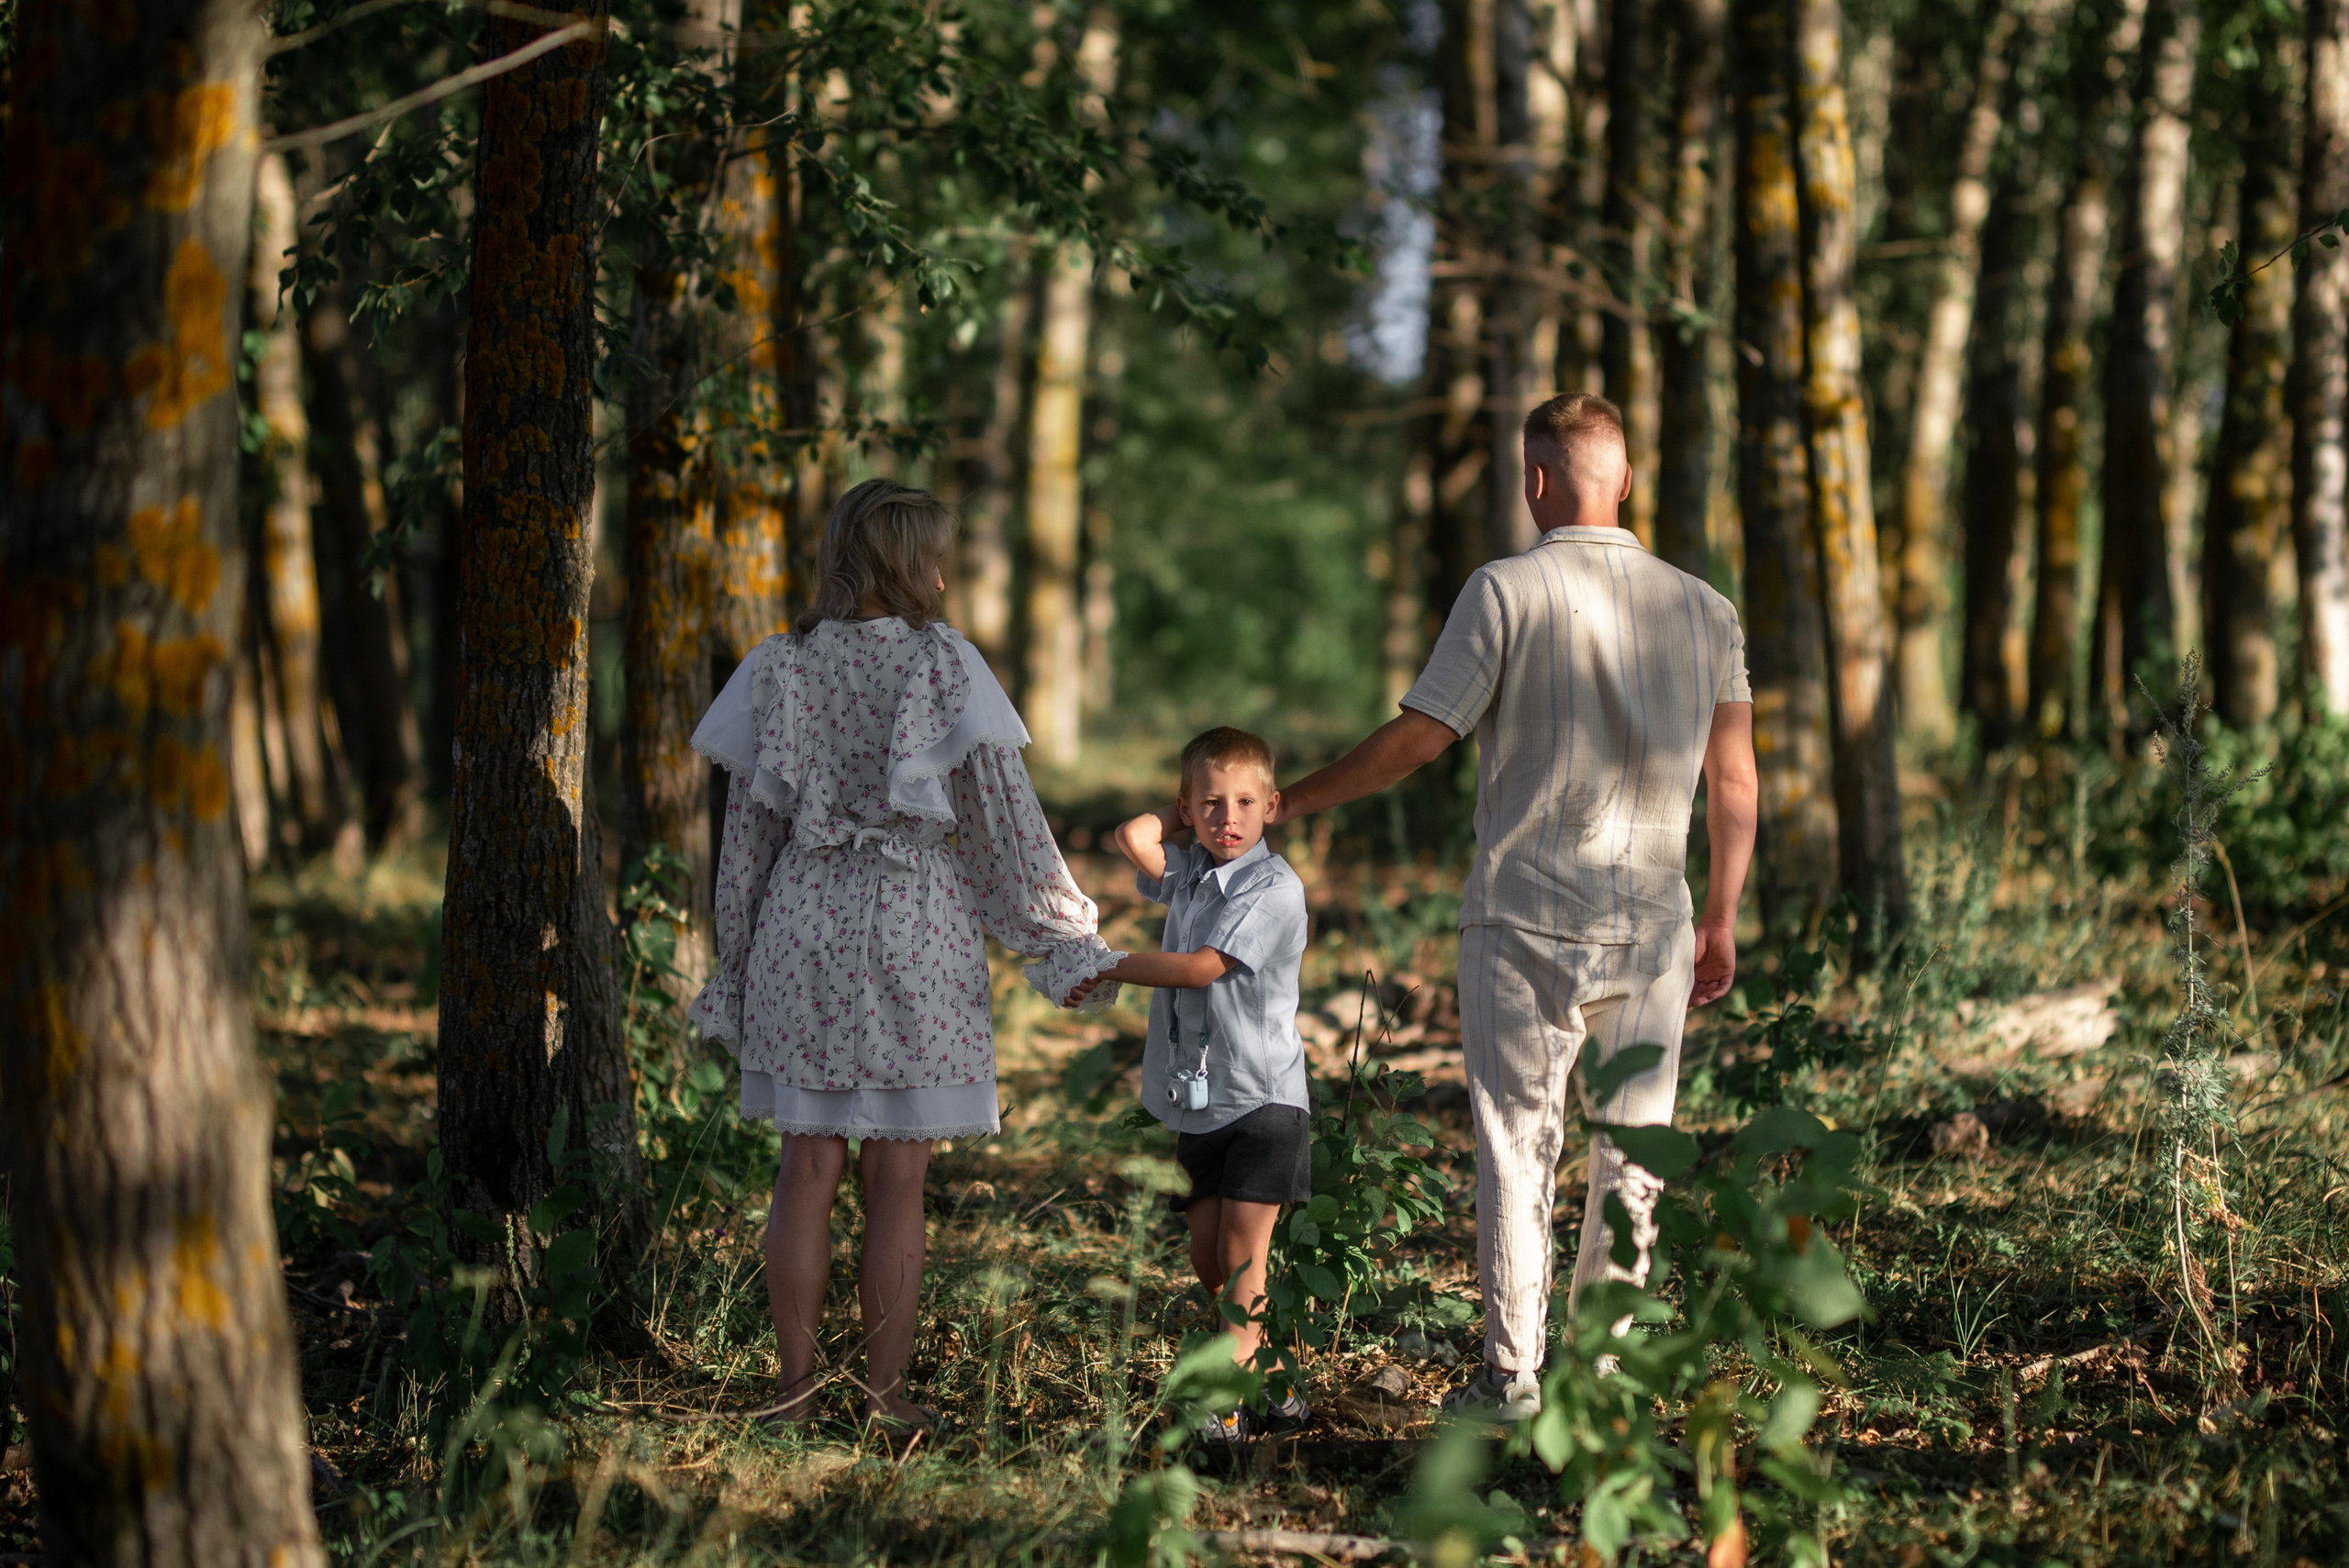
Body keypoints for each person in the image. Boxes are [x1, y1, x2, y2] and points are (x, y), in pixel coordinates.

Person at [1271, 394, 1758, 1422]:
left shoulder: (1503, 589)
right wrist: (1719, 914)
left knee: (1516, 1143)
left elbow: (1421, 736)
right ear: (1625, 479)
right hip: (1654, 924)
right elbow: (1735, 781)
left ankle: (1510, 1377)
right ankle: (1603, 1375)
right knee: (1634, 1151)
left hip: (1524, 914)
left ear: (1535, 478)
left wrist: (1292, 800)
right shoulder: (1708, 610)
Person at [688, 479, 1126, 1430]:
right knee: (899, 1180)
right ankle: (884, 1399)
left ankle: (794, 1398)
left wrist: (737, 962)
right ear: (905, 563)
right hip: (914, 928)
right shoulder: (944, 664)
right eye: (934, 557)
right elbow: (1006, 824)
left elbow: (747, 843)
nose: (943, 576)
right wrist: (1065, 938)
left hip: (801, 922)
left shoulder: (779, 665)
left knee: (805, 1170)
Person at [1078, 727, 1315, 1442]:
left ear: (1272, 806)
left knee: (1242, 1256)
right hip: (1201, 1098)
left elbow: (1201, 967)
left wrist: (1105, 961)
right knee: (1208, 1256)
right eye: (1210, 803)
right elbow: (1133, 834)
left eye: (1245, 802)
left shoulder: (1274, 888)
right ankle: (1275, 1380)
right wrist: (1187, 811)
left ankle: (1224, 1403)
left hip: (1264, 1098)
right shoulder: (1190, 873)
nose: (1228, 817)